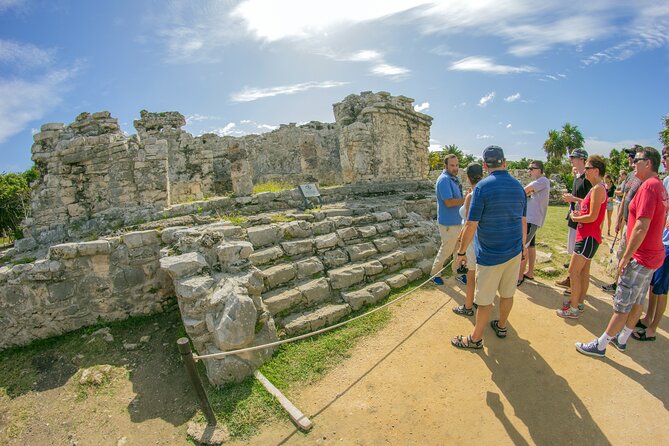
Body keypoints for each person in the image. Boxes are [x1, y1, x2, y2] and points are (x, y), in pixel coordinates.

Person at [576, 146, 667, 357]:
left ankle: (601, 344)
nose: (634, 163)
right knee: (637, 299)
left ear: (649, 163)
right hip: (653, 254)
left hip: (641, 255)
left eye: (638, 160)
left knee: (622, 301)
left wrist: (626, 256)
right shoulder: (659, 186)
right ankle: (623, 338)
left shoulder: (648, 188)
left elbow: (642, 225)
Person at [451, 145, 527, 349]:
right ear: (504, 162)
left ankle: (475, 338)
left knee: (484, 300)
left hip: (490, 253)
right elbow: (522, 220)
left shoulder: (483, 188)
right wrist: (523, 247)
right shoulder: (518, 187)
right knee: (507, 293)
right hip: (513, 250)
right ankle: (502, 325)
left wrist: (460, 252)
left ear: (485, 165)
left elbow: (471, 224)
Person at [556, 155, 607, 319]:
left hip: (587, 236)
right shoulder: (596, 188)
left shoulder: (598, 188)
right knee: (583, 272)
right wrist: (580, 213)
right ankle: (578, 302)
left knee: (573, 271)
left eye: (588, 168)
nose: (585, 171)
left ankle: (573, 308)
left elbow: (593, 217)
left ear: (596, 171)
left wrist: (576, 218)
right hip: (588, 236)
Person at [634, 145, 669, 342]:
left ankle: (653, 328)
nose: (664, 160)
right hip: (661, 240)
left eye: (667, 156)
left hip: (668, 243)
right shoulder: (665, 181)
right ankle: (648, 318)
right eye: (663, 156)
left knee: (661, 288)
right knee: (653, 284)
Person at [601, 147, 644, 293]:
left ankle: (624, 287)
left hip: (635, 223)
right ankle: (617, 284)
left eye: (633, 156)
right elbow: (625, 196)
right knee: (621, 253)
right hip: (626, 221)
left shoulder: (644, 177)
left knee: (630, 256)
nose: (630, 159)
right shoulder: (631, 175)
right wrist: (620, 218)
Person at [555, 149, 592, 291]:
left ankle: (575, 286)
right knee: (572, 251)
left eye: (574, 157)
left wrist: (573, 199)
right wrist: (571, 200)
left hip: (582, 221)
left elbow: (591, 202)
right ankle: (571, 280)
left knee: (578, 254)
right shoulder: (578, 177)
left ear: (582, 159)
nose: (571, 159)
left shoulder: (587, 180)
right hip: (574, 218)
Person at [452, 163, 483, 317]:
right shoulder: (482, 191)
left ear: (468, 177)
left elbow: (469, 222)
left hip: (471, 239)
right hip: (482, 238)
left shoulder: (472, 195)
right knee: (479, 274)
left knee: (471, 276)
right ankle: (479, 300)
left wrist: (460, 246)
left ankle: (468, 305)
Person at [431, 154, 464, 285]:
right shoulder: (444, 180)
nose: (455, 168)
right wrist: (466, 200)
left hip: (457, 220)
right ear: (445, 166)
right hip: (448, 222)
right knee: (447, 249)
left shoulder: (455, 179)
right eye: (452, 165)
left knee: (458, 250)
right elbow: (449, 202)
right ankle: (434, 274)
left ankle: (458, 273)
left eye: (457, 165)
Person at [517, 160, 550, 285]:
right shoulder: (539, 182)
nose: (529, 170)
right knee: (531, 247)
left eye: (532, 168)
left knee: (523, 246)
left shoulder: (542, 180)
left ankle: (519, 276)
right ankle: (530, 272)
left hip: (532, 219)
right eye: (529, 168)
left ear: (540, 170)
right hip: (532, 218)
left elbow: (525, 190)